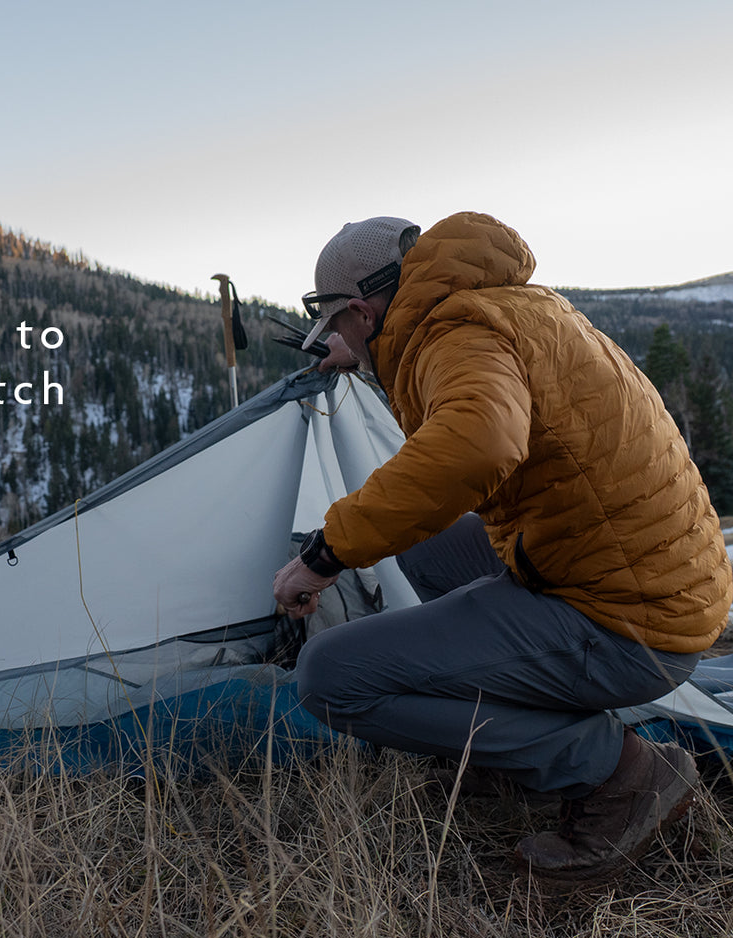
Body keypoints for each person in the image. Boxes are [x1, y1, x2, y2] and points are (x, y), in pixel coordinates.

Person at [273, 212, 733, 886]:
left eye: (338, 325)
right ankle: (503, 745)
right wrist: (364, 362)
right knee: (426, 551)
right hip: (651, 578)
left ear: (364, 314)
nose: (340, 340)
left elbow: (479, 442)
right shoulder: (502, 305)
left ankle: (621, 773)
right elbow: (472, 399)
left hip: (630, 626)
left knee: (330, 677)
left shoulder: (454, 334)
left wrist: (324, 555)